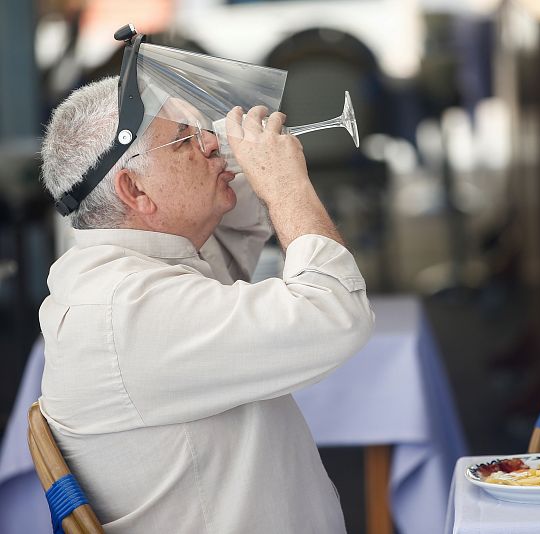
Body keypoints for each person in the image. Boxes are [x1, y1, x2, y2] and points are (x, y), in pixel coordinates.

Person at [37, 73, 374, 532]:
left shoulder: (137, 262)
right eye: (183, 142)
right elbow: (335, 314)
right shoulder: (128, 311)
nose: (211, 144)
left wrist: (229, 146)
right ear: (135, 192)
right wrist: (285, 185)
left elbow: (234, 228)